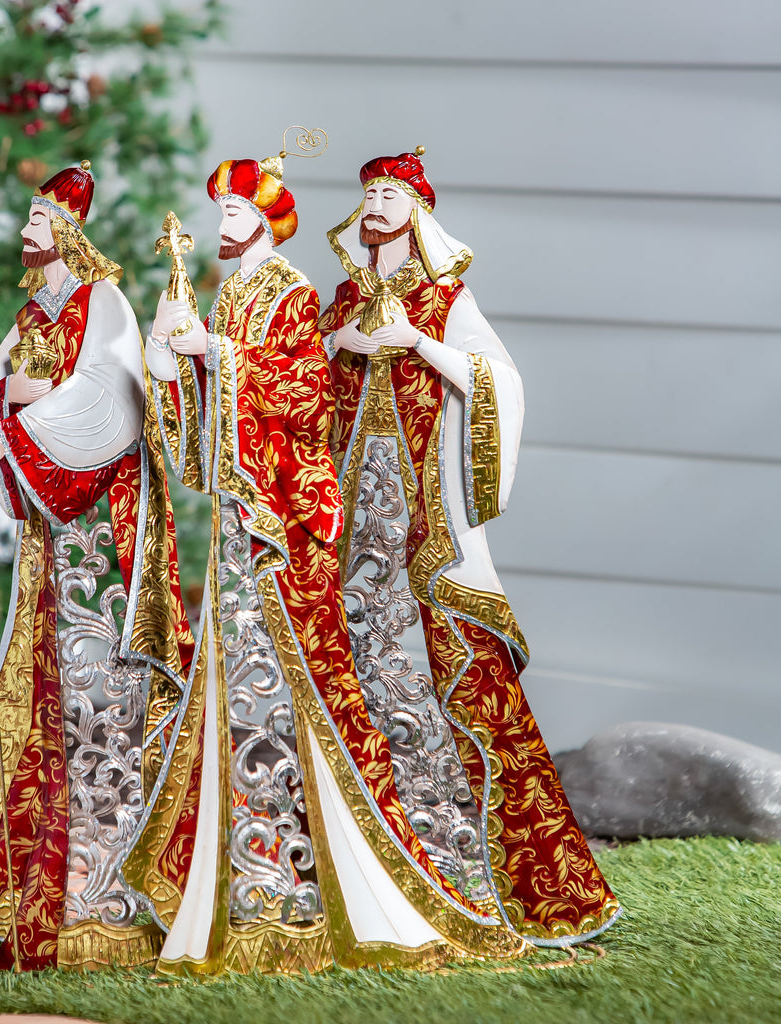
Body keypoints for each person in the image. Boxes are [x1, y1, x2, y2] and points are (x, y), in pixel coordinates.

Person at [124, 153, 526, 976]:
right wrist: (174, 357)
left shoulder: (296, 292)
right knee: (243, 688)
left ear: (269, 220)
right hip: (256, 514)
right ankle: (252, 880)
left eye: (237, 212)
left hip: (307, 517)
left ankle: (326, 875)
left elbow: (299, 394)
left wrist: (219, 356)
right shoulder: (276, 295)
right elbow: (232, 411)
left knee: (311, 679)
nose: (222, 225)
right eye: (221, 212)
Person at [318, 148, 621, 945]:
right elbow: (308, 389)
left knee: (464, 678)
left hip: (427, 535)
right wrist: (341, 340)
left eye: (391, 195)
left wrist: (416, 342)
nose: (376, 206)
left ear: (417, 213)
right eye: (369, 194)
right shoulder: (344, 299)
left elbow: (498, 382)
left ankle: (517, 883)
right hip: (353, 532)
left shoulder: (446, 296)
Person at [0, 161, 194, 971]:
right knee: (54, 692)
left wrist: (19, 424)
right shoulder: (30, 312)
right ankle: (56, 879)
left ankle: (116, 886)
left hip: (102, 531)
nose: (28, 230)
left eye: (40, 218)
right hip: (53, 541)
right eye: (29, 217)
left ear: (69, 231)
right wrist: (2, 407)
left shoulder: (103, 301)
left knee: (105, 697)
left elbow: (108, 399)